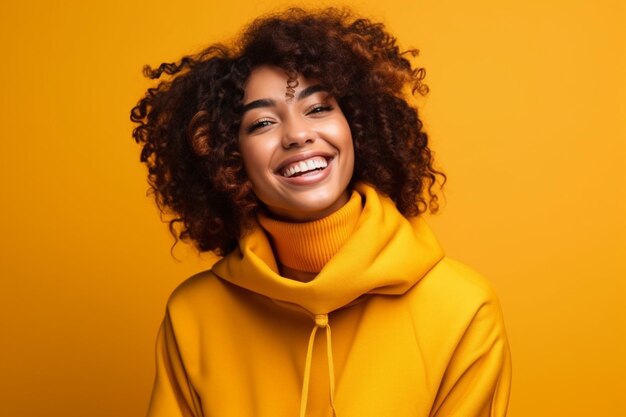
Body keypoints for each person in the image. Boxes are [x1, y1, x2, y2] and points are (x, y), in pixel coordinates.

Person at [131, 7, 511, 417]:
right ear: (228, 156)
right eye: (261, 123)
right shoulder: (194, 316)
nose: (297, 135)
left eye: (318, 109)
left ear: (357, 125)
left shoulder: (461, 308)